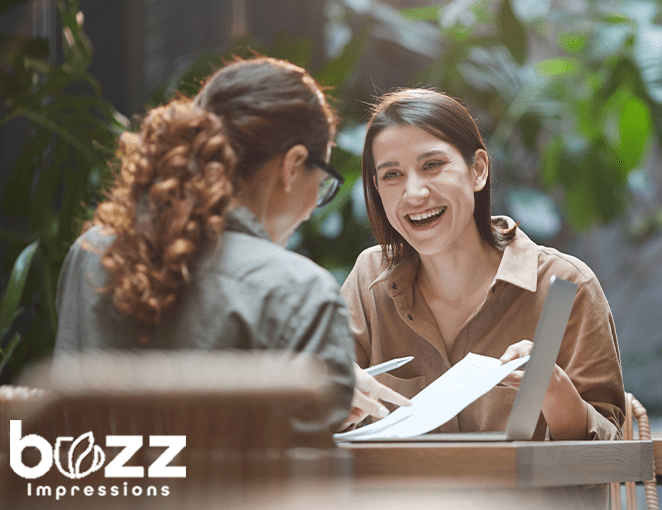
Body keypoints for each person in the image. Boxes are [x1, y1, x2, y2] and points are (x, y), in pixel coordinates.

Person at [55, 57, 407, 432]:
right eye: (321, 184)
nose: (310, 211)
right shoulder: (299, 292)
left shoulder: (92, 253)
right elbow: (304, 478)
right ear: (293, 165)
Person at [341, 88, 625, 440]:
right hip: (399, 497)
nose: (413, 193)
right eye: (392, 175)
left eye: (432, 165)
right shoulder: (368, 280)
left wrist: (554, 391)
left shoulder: (566, 285)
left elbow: (610, 455)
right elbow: (312, 420)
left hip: (523, 497)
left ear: (478, 170)